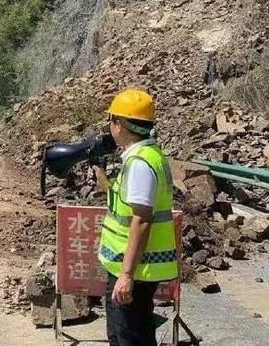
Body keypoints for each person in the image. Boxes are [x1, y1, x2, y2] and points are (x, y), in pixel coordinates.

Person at [93, 89, 178, 346]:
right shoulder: (144, 156)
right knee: (120, 336)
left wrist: (127, 275)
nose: (110, 126)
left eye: (112, 120)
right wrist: (106, 185)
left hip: (136, 271)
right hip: (128, 267)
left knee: (132, 338)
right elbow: (129, 207)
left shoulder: (140, 163)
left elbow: (141, 219)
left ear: (119, 125)